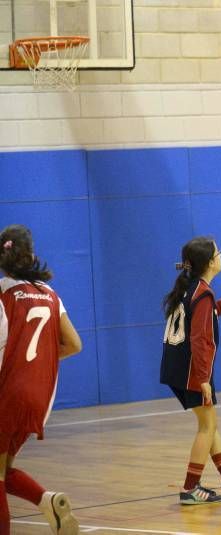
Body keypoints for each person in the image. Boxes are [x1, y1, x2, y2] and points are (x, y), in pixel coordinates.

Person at [0, 224, 83, 535]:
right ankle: (46, 501)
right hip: (40, 397)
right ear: (32, 256)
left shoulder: (3, 293)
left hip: (9, 391)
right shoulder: (50, 294)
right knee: (3, 470)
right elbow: (74, 344)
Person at [160, 237, 221, 505]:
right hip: (191, 369)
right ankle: (191, 488)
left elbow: (210, 314)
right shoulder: (202, 292)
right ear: (211, 263)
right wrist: (203, 379)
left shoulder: (193, 288)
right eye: (219, 252)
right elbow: (201, 339)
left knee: (208, 423)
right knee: (208, 424)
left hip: (176, 367)